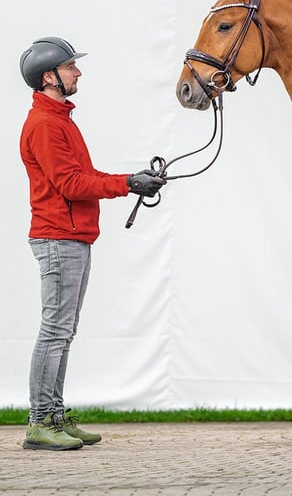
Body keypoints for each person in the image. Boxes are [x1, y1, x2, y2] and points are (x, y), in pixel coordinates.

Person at [18, 36, 166, 450]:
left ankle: (54, 416)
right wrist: (127, 184)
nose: (78, 72)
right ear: (50, 77)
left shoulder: (60, 119)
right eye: (70, 67)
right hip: (59, 239)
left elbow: (81, 174)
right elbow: (70, 183)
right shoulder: (46, 124)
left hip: (71, 238)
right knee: (55, 331)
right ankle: (40, 422)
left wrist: (130, 179)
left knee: (63, 331)